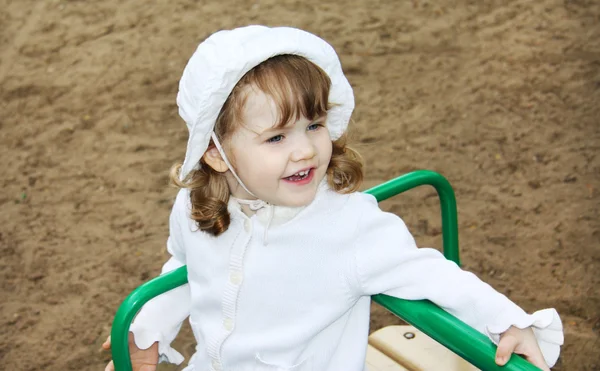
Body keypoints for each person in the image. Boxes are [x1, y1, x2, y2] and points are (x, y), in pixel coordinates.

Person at [103, 25, 563, 371]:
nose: (305, 149)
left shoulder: (346, 226)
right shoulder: (196, 210)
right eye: (277, 137)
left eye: (314, 125)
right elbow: (184, 271)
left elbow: (430, 274)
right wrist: (149, 330)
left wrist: (507, 321)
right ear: (216, 154)